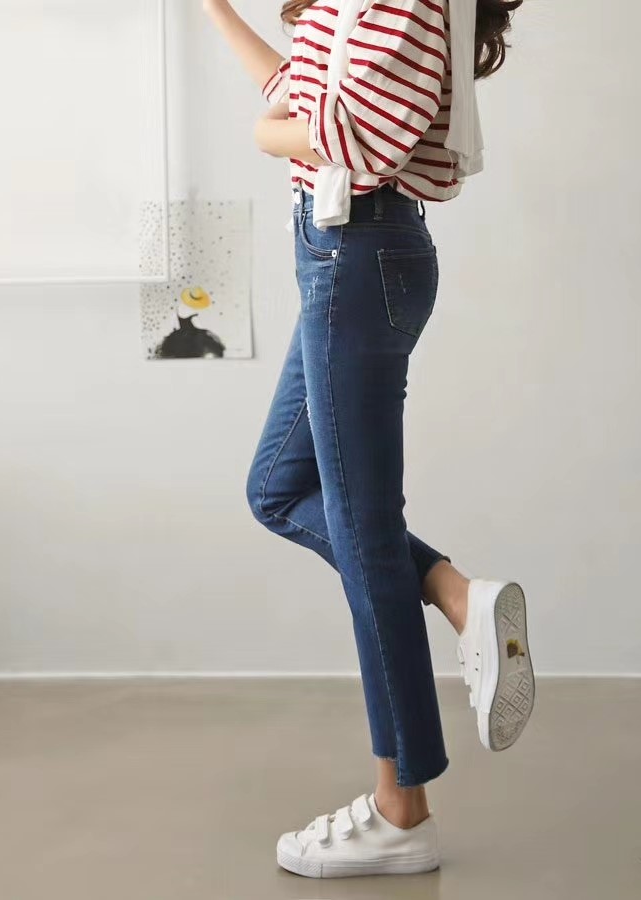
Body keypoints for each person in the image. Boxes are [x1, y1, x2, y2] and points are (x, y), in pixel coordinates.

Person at [205, 0, 532, 878]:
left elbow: (357, 143)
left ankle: (402, 811)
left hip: (360, 255)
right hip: (338, 254)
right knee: (278, 489)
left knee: (363, 529)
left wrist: (264, 138)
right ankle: (456, 594)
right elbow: (301, 93)